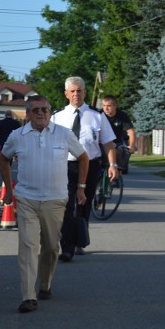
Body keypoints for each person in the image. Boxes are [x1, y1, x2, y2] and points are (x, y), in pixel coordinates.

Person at [0, 95, 88, 312]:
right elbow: (3, 158)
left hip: (55, 200)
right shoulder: (17, 136)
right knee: (28, 247)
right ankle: (28, 296)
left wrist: (81, 187)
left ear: (49, 112)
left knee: (50, 247)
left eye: (44, 109)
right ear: (27, 114)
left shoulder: (63, 134)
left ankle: (45, 284)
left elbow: (83, 157)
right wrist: (9, 190)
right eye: (35, 110)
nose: (40, 113)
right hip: (27, 199)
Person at [51, 76, 117, 261]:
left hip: (90, 164)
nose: (76, 94)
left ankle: (80, 238)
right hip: (65, 165)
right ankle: (66, 247)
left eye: (79, 90)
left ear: (85, 93)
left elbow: (107, 143)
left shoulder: (97, 116)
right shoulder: (57, 116)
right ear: (66, 94)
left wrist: (112, 165)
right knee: (66, 204)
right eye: (72, 91)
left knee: (84, 203)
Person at [102, 95, 137, 172]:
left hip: (117, 141)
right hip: (102, 141)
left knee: (120, 152)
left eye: (109, 106)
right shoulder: (99, 114)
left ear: (115, 106)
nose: (106, 108)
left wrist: (131, 146)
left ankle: (117, 175)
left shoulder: (122, 115)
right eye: (104, 105)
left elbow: (131, 132)